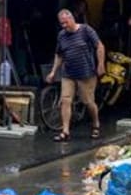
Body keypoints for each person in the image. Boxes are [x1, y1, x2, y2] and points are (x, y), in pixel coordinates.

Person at [45, 9, 105, 142]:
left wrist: (100, 64)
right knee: (65, 100)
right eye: (62, 24)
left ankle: (96, 124)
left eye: (66, 22)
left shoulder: (86, 30)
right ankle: (65, 131)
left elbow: (99, 46)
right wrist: (53, 71)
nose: (64, 26)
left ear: (72, 19)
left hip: (86, 73)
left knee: (88, 102)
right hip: (68, 73)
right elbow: (59, 54)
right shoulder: (61, 36)